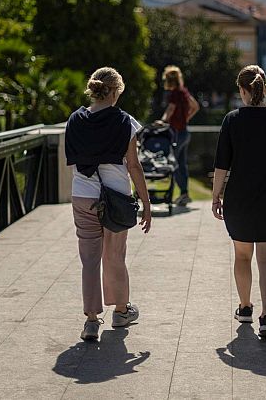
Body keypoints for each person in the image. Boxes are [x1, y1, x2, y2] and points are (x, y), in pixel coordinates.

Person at [211, 65, 266, 338]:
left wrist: (216, 195)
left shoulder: (232, 120)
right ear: (264, 89)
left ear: (242, 90)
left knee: (242, 255)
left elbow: (222, 165)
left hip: (239, 199)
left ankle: (245, 307)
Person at [65, 67, 153, 341]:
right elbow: (134, 166)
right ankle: (120, 311)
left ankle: (91, 321)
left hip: (83, 196)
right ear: (115, 91)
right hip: (115, 197)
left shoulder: (75, 120)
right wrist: (146, 203)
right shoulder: (126, 122)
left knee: (90, 259)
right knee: (115, 256)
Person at [158, 66, 199, 206]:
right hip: (185, 132)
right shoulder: (184, 92)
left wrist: (162, 121)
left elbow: (170, 109)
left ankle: (180, 193)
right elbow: (196, 106)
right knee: (182, 164)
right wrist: (186, 118)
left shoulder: (175, 93)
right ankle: (184, 194)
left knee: (174, 164)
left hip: (176, 133)